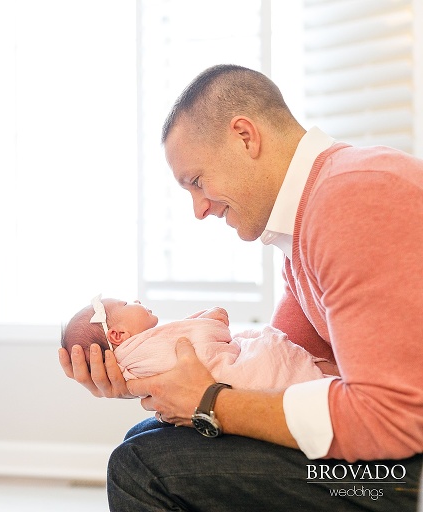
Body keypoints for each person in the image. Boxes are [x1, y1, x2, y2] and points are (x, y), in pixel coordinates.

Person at [59, 64, 423, 511]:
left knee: (142, 465)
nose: (199, 208)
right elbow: (277, 372)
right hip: (390, 459)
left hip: (403, 474)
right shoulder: (306, 229)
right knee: (148, 437)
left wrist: (208, 401)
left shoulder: (353, 198)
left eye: (197, 181)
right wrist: (143, 375)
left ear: (245, 137)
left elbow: (390, 419)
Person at [61, 295, 335, 388]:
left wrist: (201, 319)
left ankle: (336, 383)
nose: (136, 301)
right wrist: (212, 322)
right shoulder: (146, 351)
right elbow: (200, 351)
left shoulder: (139, 353)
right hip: (238, 374)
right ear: (118, 335)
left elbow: (183, 337)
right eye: (126, 303)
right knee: (284, 362)